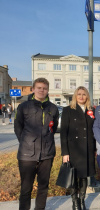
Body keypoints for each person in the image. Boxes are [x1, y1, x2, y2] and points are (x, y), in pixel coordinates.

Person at [14, 78, 59, 210]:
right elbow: (18, 127)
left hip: (47, 153)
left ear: (47, 90)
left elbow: (53, 127)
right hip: (27, 155)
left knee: (43, 187)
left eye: (44, 88)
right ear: (33, 89)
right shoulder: (23, 107)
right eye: (39, 87)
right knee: (26, 188)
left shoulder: (53, 108)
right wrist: (26, 142)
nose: (41, 90)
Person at [60, 86, 96, 210]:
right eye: (79, 94)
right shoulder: (68, 110)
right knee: (73, 177)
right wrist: (65, 152)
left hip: (87, 148)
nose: (81, 96)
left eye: (84, 94)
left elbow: (93, 131)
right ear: (75, 95)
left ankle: (82, 201)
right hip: (73, 149)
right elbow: (63, 133)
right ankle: (75, 202)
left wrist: (95, 149)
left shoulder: (91, 110)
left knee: (84, 176)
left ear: (87, 97)